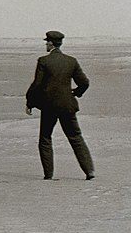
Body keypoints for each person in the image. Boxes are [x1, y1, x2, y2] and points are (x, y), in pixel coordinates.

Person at [25, 30, 95, 180]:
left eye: (46, 42)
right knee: (76, 137)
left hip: (49, 106)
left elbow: (37, 84)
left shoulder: (43, 61)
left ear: (51, 43)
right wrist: (76, 93)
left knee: (45, 138)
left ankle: (48, 175)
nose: (45, 44)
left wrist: (30, 102)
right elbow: (84, 82)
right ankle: (90, 171)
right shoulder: (71, 61)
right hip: (67, 105)